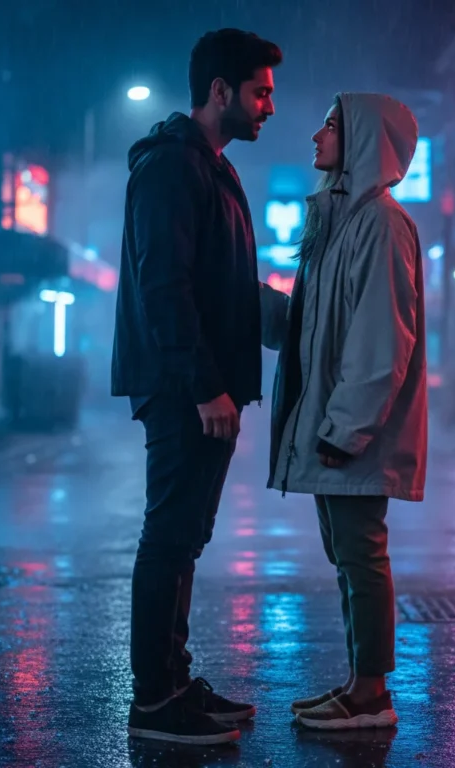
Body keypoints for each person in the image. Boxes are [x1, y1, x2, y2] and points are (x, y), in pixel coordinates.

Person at [112, 29, 282, 745]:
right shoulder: (174, 167)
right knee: (170, 536)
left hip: (204, 385)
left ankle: (174, 681)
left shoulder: (209, 166)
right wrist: (207, 385)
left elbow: (224, 287)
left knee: (185, 537)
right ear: (221, 92)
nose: (270, 106)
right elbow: (165, 288)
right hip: (186, 389)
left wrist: (298, 319)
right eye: (260, 92)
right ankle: (155, 699)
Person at [260, 93, 428, 730]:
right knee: (347, 555)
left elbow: (384, 342)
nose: (315, 134)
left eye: (330, 123)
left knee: (361, 555)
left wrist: (346, 429)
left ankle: (371, 695)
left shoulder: (381, 225)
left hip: (353, 431)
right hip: (337, 426)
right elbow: (315, 330)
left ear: (362, 139)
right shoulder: (338, 221)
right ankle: (360, 683)